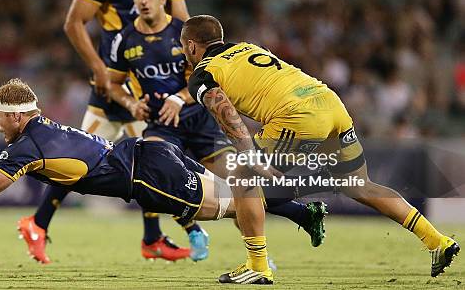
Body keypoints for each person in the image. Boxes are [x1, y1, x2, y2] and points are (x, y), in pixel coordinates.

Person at [0, 78, 274, 285]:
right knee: (236, 198)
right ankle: (274, 239)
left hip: (147, 174)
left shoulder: (29, 144)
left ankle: (286, 226)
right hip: (148, 157)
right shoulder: (34, 133)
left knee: (231, 204)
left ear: (18, 117)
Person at [181, 15, 460, 282]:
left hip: (297, 115)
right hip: (329, 102)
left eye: (184, 47)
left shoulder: (203, 73)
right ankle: (437, 240)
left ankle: (257, 266)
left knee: (243, 176)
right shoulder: (248, 48)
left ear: (191, 45)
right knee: (359, 185)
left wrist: (250, 156)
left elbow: (227, 113)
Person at [107, 0, 327, 261]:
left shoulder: (185, 34)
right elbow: (112, 83)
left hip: (200, 122)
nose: (143, 1)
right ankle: (191, 231)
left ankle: (271, 246)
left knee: (242, 184)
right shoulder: (124, 39)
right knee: (158, 177)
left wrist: (178, 97)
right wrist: (132, 104)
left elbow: (205, 81)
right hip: (162, 126)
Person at [19, 0, 193, 264]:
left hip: (148, 84)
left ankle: (152, 238)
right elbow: (73, 22)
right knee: (80, 160)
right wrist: (99, 68)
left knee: (154, 159)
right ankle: (37, 223)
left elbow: (184, 24)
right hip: (114, 84)